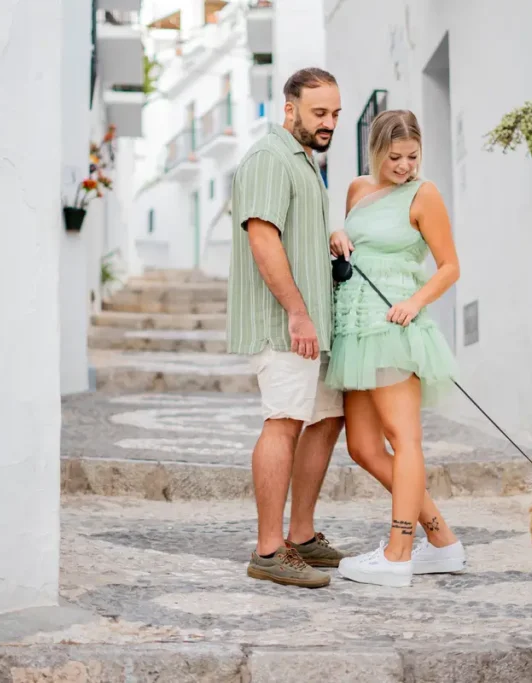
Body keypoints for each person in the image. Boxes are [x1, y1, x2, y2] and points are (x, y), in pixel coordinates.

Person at [327, 109, 465, 588]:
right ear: (376, 152)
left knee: (404, 440)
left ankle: (398, 552)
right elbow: (356, 244)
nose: (405, 166)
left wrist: (414, 302)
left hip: (393, 327)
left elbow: (450, 266)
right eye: (395, 157)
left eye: (412, 156)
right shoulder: (357, 189)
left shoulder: (424, 194)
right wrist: (338, 235)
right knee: (363, 447)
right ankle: (442, 542)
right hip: (354, 329)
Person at [226, 67, 347, 588]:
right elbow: (263, 237)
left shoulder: (303, 162)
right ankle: (269, 550)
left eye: (335, 113)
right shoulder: (269, 158)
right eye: (319, 112)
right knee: (284, 421)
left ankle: (301, 535)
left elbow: (293, 232)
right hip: (285, 324)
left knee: (326, 420)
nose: (329, 122)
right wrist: (297, 311)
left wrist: (328, 236)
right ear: (289, 109)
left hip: (315, 326)